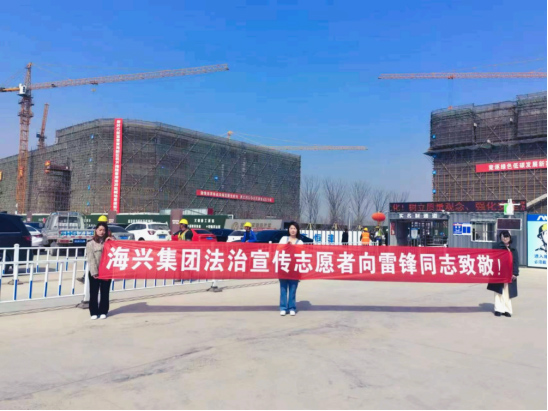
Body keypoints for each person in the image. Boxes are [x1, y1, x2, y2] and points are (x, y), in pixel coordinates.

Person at [487, 230, 519, 317]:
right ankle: (498, 309)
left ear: (510, 238)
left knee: (508, 292)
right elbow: (492, 259)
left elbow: (516, 262)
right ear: (500, 238)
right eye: (503, 237)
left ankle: (507, 310)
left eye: (507, 237)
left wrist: (515, 273)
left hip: (509, 274)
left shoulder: (513, 249)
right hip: (499, 273)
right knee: (498, 291)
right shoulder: (497, 247)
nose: (505, 239)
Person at [86, 222, 112, 320]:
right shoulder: (90, 244)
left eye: (104, 230)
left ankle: (103, 311)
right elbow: (91, 259)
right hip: (95, 272)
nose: (102, 232)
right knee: (94, 293)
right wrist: (94, 272)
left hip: (106, 271)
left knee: (105, 292)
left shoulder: (109, 242)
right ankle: (94, 312)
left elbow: (117, 249)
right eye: (100, 230)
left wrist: (111, 240)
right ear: (96, 230)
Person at [278, 221, 303, 316]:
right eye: (291, 228)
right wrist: (286, 246)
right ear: (288, 230)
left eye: (294, 228)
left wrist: (293, 248)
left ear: (297, 230)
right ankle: (283, 307)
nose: (293, 230)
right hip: (283, 267)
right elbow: (278, 249)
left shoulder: (300, 242)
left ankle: (292, 307)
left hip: (294, 269)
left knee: (293, 289)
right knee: (283, 288)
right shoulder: (284, 239)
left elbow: (300, 254)